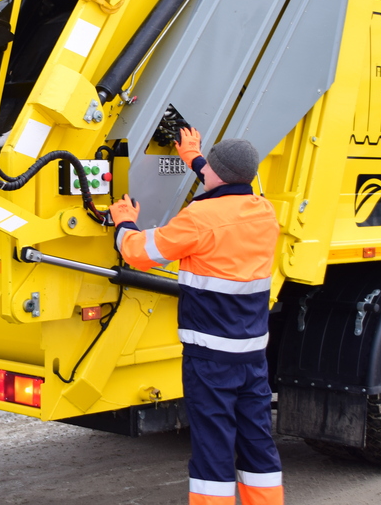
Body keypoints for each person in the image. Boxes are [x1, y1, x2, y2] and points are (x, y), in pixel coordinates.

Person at [109, 127, 283, 505]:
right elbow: (224, 181)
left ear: (218, 173)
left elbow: (139, 253)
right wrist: (193, 156)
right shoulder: (264, 211)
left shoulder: (199, 218)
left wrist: (123, 222)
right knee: (257, 443)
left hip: (211, 361)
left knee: (213, 448)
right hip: (252, 357)